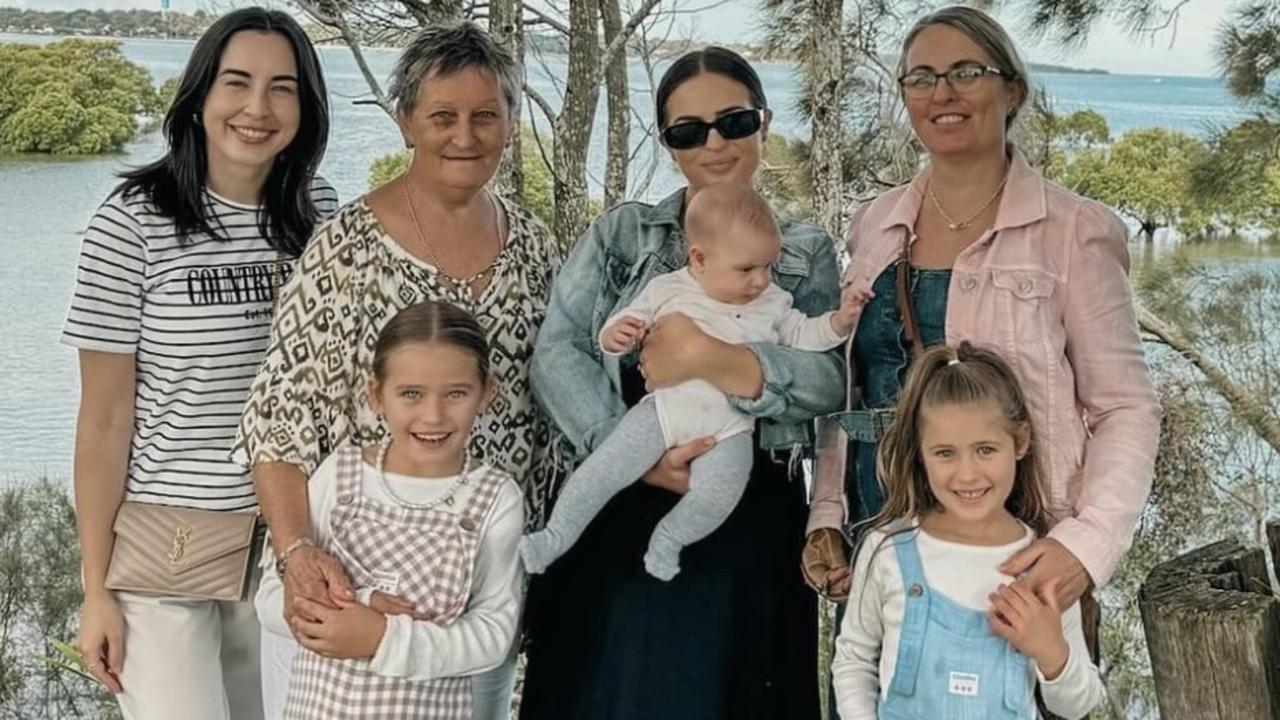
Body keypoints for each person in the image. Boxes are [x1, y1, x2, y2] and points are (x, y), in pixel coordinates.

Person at [804, 4, 1159, 671]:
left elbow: (1126, 409)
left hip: (1018, 567)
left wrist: (1085, 548)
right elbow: (848, 386)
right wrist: (826, 514)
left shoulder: (1073, 230)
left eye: (966, 71)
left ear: (1012, 88)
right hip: (881, 556)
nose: (942, 93)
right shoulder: (874, 224)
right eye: (921, 77)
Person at [231, 20, 566, 720]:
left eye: (486, 115)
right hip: (344, 598)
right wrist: (296, 557)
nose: (465, 136)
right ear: (406, 120)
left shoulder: (533, 248)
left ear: (509, 119)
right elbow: (276, 420)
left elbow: (551, 416)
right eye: (442, 116)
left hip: (472, 609)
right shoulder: (346, 248)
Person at [522, 46, 842, 719]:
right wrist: (628, 449)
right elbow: (558, 350)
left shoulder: (802, 252)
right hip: (624, 502)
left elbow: (828, 383)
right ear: (668, 143)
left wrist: (707, 357)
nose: (714, 143)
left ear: (764, 121)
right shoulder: (625, 235)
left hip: (746, 505)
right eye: (688, 131)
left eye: (733, 121)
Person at [63, 7, 335, 719]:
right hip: (165, 553)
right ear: (199, 96)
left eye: (283, 88)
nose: (257, 107)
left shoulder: (321, 217)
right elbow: (103, 420)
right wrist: (95, 591)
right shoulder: (133, 222)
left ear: (306, 107)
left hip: (286, 543)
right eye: (236, 82)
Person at [521, 183, 867, 581]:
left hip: (730, 426)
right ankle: (554, 537)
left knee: (720, 492)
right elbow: (623, 323)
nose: (760, 280)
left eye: (768, 267)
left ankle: (669, 539)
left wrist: (840, 321)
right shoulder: (670, 288)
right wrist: (615, 335)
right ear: (700, 259)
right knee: (603, 471)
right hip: (665, 413)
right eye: (746, 269)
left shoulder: (774, 301)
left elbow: (807, 335)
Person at [247, 301, 523, 719]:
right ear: (376, 395)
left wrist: (384, 639)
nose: (433, 415)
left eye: (456, 394)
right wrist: (353, 607)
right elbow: (271, 598)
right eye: (411, 394)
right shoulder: (338, 477)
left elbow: (493, 635)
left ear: (486, 393)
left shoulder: (494, 498)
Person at [831, 342, 1103, 720]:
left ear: (1020, 441)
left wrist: (1051, 651)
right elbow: (853, 661)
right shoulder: (887, 550)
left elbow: (1078, 705)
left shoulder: (1043, 565)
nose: (967, 474)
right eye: (945, 453)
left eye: (986, 449)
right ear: (920, 452)